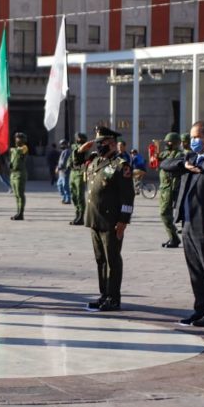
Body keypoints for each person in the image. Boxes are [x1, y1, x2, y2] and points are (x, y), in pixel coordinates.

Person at [160, 120, 204, 327]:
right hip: (188, 223)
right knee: (195, 270)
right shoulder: (191, 158)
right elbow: (165, 165)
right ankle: (199, 309)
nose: (193, 141)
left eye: (196, 137)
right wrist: (183, 165)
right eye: (192, 137)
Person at [83, 127, 135, 312]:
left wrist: (123, 221)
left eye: (102, 142)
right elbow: (76, 165)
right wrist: (81, 149)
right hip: (95, 219)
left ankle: (114, 298)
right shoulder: (96, 161)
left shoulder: (121, 165)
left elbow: (128, 196)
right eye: (97, 142)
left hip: (111, 221)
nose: (99, 146)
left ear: (112, 143)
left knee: (112, 259)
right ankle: (104, 294)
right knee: (100, 260)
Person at [157, 132, 183, 248]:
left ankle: (174, 237)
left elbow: (174, 166)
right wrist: (155, 146)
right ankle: (173, 238)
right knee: (165, 214)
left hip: (171, 189)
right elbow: (157, 157)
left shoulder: (179, 154)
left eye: (169, 142)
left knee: (164, 214)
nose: (167, 144)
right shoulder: (166, 153)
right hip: (163, 188)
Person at [68, 132, 89, 225]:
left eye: (81, 138)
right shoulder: (73, 147)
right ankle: (77, 213)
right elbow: (71, 158)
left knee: (80, 195)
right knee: (73, 195)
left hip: (80, 172)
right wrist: (68, 164)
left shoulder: (85, 148)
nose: (79, 140)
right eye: (78, 138)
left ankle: (81, 216)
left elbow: (85, 157)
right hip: (73, 173)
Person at [10, 132, 29, 220]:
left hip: (20, 174)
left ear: (23, 140)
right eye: (16, 138)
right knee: (16, 194)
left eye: (19, 138)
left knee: (20, 194)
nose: (17, 139)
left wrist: (13, 150)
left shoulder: (24, 148)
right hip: (13, 174)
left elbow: (20, 151)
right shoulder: (14, 149)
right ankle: (18, 212)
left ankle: (21, 213)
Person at [56, 139, 71, 204]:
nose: (61, 145)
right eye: (61, 144)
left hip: (65, 171)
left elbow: (63, 161)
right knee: (59, 185)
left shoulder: (67, 151)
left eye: (63, 144)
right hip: (61, 172)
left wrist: (58, 168)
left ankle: (67, 199)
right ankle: (64, 197)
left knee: (65, 186)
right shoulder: (63, 151)